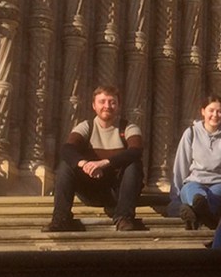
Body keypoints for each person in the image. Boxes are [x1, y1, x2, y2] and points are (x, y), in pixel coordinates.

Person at [43, 85, 146, 232]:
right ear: (94, 105)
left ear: (118, 106)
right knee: (65, 165)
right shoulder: (86, 127)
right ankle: (60, 219)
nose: (107, 106)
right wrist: (84, 164)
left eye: (112, 102)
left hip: (118, 191)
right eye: (102, 102)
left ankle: (124, 218)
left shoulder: (129, 128)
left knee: (134, 164)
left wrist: (104, 163)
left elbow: (136, 151)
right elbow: (67, 149)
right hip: (90, 189)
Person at [173, 95, 221, 230]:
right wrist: (174, 197)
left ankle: (193, 212)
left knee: (214, 197)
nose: (215, 115)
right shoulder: (191, 133)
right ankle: (201, 210)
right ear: (203, 111)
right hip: (195, 181)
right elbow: (181, 164)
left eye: (219, 111)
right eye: (211, 110)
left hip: (220, 182)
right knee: (193, 194)